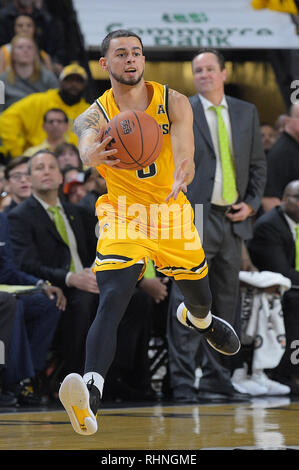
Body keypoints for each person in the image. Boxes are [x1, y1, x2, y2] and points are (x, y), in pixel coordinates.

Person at [58, 29, 241, 436]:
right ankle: (91, 392)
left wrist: (186, 166)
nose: (130, 60)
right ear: (105, 64)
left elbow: (185, 149)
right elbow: (84, 135)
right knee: (115, 293)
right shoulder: (96, 113)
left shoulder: (173, 101)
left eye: (136, 53)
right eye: (120, 54)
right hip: (124, 214)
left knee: (199, 295)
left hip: (171, 212)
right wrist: (89, 151)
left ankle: (200, 319)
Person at [167, 48, 267, 403]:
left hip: (232, 217)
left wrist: (252, 204)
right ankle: (180, 381)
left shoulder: (247, 112)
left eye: (210, 69)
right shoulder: (181, 110)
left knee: (226, 300)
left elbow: (257, 165)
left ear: (224, 73)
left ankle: (217, 377)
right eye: (198, 70)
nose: (204, 75)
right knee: (187, 299)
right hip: (193, 213)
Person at [7, 150, 99, 385]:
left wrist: (96, 273)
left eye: (51, 167)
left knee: (136, 300)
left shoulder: (77, 211)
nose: (46, 171)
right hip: (59, 287)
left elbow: (99, 249)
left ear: (61, 177)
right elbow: (27, 264)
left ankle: (123, 379)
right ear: (29, 179)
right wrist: (70, 278)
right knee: (83, 300)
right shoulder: (20, 216)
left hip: (90, 281)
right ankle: (75, 380)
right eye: (39, 168)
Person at [0, 211, 66, 405]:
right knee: (11, 304)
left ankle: (33, 375)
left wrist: (40, 284)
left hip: (5, 291)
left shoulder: (1, 219)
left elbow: (8, 270)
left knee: (48, 302)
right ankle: (14, 382)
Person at [248, 180, 299, 394]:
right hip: (273, 293)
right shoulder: (269, 226)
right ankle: (288, 372)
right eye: (297, 198)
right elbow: (282, 273)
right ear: (283, 200)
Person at [0, 63, 89, 159]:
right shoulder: (39, 101)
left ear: (85, 85)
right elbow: (6, 119)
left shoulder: (90, 111)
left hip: (75, 164)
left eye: (78, 81)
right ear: (60, 83)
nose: (74, 84)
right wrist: (15, 152)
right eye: (69, 80)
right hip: (36, 158)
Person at [0, 0, 66, 72]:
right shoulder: (4, 51)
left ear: (34, 29)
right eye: (20, 25)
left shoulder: (46, 20)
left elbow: (48, 79)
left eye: (29, 26)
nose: (24, 29)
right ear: (14, 28)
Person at [0, 35, 58, 111]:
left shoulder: (48, 78)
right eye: (20, 47)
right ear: (12, 54)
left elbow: (58, 106)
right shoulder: (2, 81)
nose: (25, 50)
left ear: (35, 53)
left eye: (29, 47)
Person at [262, 113, 299, 213]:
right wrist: (288, 226)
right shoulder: (281, 152)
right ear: (287, 121)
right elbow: (268, 199)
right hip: (289, 222)